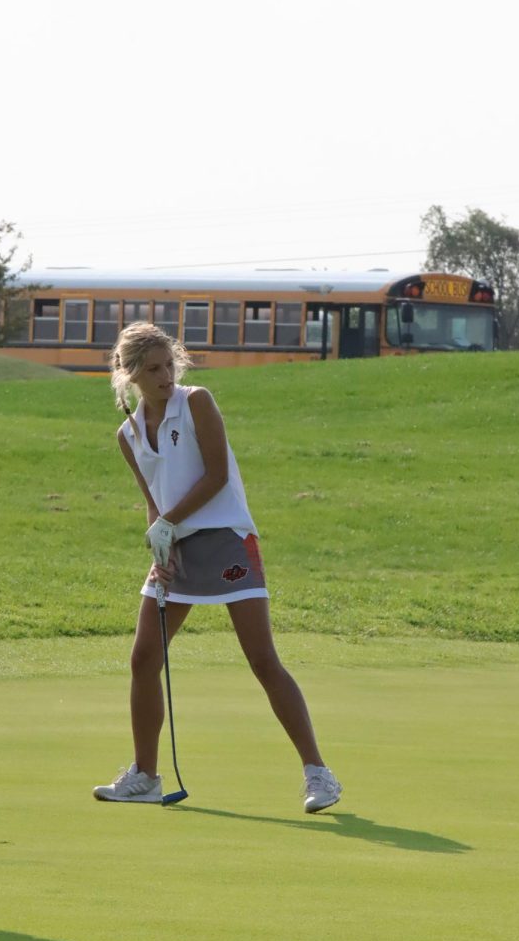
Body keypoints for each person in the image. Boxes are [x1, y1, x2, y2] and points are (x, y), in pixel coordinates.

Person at [92, 322, 342, 813]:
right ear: (130, 375)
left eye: (169, 365)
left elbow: (216, 476)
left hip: (228, 540)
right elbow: (153, 501)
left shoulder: (196, 401)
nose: (166, 376)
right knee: (143, 659)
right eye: (153, 369)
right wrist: (158, 549)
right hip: (177, 550)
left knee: (262, 659)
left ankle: (319, 774)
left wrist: (168, 522)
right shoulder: (127, 434)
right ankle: (144, 775)